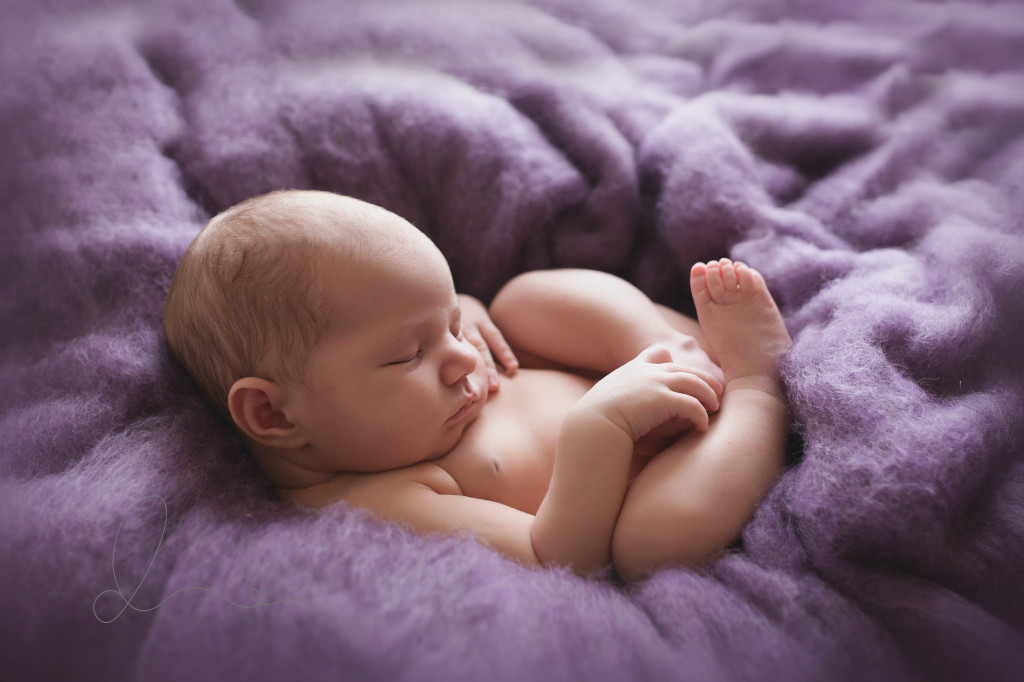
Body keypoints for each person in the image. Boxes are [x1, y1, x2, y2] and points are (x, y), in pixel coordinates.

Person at [162, 190, 792, 581]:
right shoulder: (372, 499)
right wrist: (599, 430)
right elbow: (558, 557)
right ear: (273, 415)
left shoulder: (438, 369)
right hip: (665, 470)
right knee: (653, 545)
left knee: (520, 300)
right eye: (409, 354)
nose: (461, 358)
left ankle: (662, 342)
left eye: (452, 326)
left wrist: (459, 315)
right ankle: (756, 384)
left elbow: (445, 326)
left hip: (634, 369)